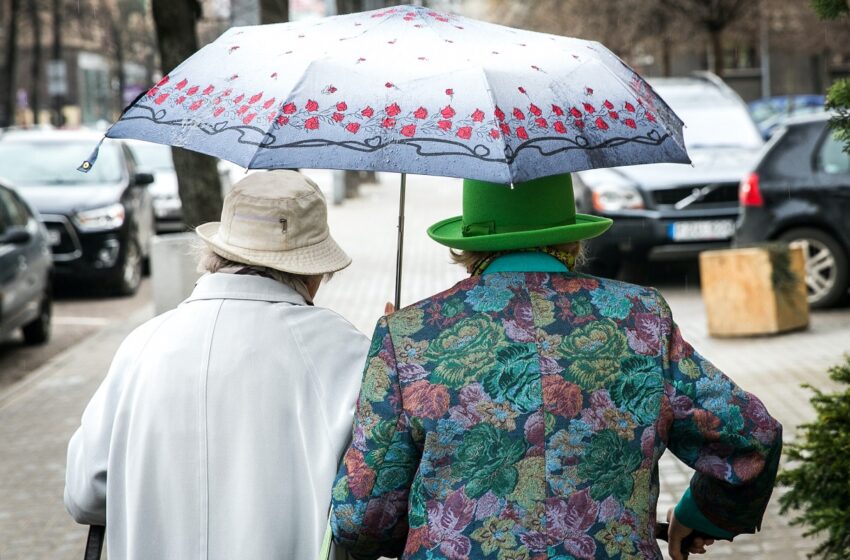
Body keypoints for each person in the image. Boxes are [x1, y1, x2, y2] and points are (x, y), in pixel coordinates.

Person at [330, 174, 782, 560]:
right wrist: (698, 514)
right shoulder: (640, 317)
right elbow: (751, 437)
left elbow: (363, 518)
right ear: (571, 235)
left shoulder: (409, 333)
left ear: (467, 244)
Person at [64, 170, 370, 560]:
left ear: (217, 256)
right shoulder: (346, 351)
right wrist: (395, 364)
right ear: (310, 272)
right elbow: (369, 508)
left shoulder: (140, 346)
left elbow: (84, 493)